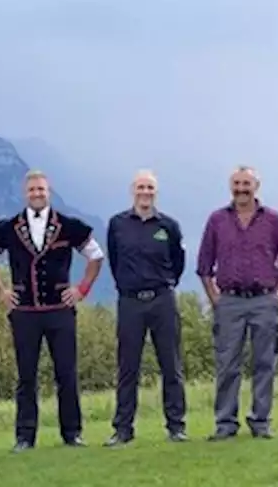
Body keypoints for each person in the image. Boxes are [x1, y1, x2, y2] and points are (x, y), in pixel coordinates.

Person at [0, 170, 105, 453]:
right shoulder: (9, 228)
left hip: (60, 310)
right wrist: (1, 292)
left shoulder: (69, 225)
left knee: (67, 373)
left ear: (49, 192)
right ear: (26, 193)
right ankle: (25, 436)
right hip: (24, 311)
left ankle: (72, 433)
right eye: (33, 190)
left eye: (41, 190)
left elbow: (96, 256)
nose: (37, 194)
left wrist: (82, 289)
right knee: (26, 375)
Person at [195, 165, 278, 441]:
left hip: (264, 300)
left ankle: (261, 422)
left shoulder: (274, 221)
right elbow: (204, 265)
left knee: (264, 363)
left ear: (257, 187)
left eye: (247, 184)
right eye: (237, 184)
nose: (241, 189)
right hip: (229, 302)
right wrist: (215, 298)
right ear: (231, 187)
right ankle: (225, 424)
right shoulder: (217, 220)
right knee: (227, 364)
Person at [103, 170, 188, 447]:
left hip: (162, 299)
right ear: (132, 190)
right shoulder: (117, 224)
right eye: (141, 187)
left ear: (156, 192)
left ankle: (176, 426)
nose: (145, 192)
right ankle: (123, 429)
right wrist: (128, 286)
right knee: (128, 367)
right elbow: (114, 261)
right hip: (130, 301)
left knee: (171, 365)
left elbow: (178, 262)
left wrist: (165, 283)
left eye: (150, 188)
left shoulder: (169, 226)